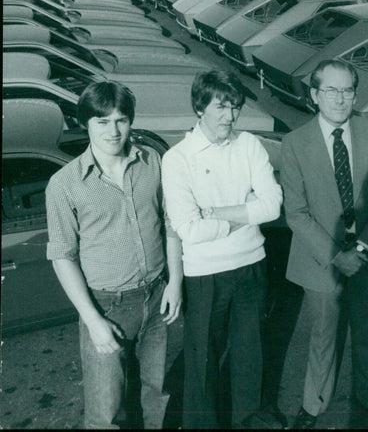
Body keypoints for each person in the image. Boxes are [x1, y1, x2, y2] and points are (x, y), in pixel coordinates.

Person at [46, 81, 183, 429]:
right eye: (101, 121)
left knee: (155, 395)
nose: (113, 130)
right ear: (85, 124)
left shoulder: (152, 162)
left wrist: (175, 282)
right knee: (105, 412)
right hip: (107, 305)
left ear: (131, 121)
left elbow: (171, 224)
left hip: (155, 297)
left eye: (121, 120)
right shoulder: (65, 184)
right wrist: (93, 321)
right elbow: (63, 256)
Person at [161, 70, 283, 428]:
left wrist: (216, 212)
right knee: (202, 364)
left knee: (250, 357)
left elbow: (273, 206)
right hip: (204, 276)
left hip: (251, 266)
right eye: (221, 107)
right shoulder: (178, 158)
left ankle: (249, 421)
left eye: (236, 108)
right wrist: (247, 210)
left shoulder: (249, 145)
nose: (230, 117)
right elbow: (189, 230)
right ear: (200, 108)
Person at [282, 60, 368, 429]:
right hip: (321, 261)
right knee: (323, 337)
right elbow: (296, 213)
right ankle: (313, 406)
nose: (340, 98)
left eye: (347, 90)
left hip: (366, 257)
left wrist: (361, 249)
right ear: (315, 95)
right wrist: (336, 256)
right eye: (331, 90)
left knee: (367, 332)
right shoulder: (295, 143)